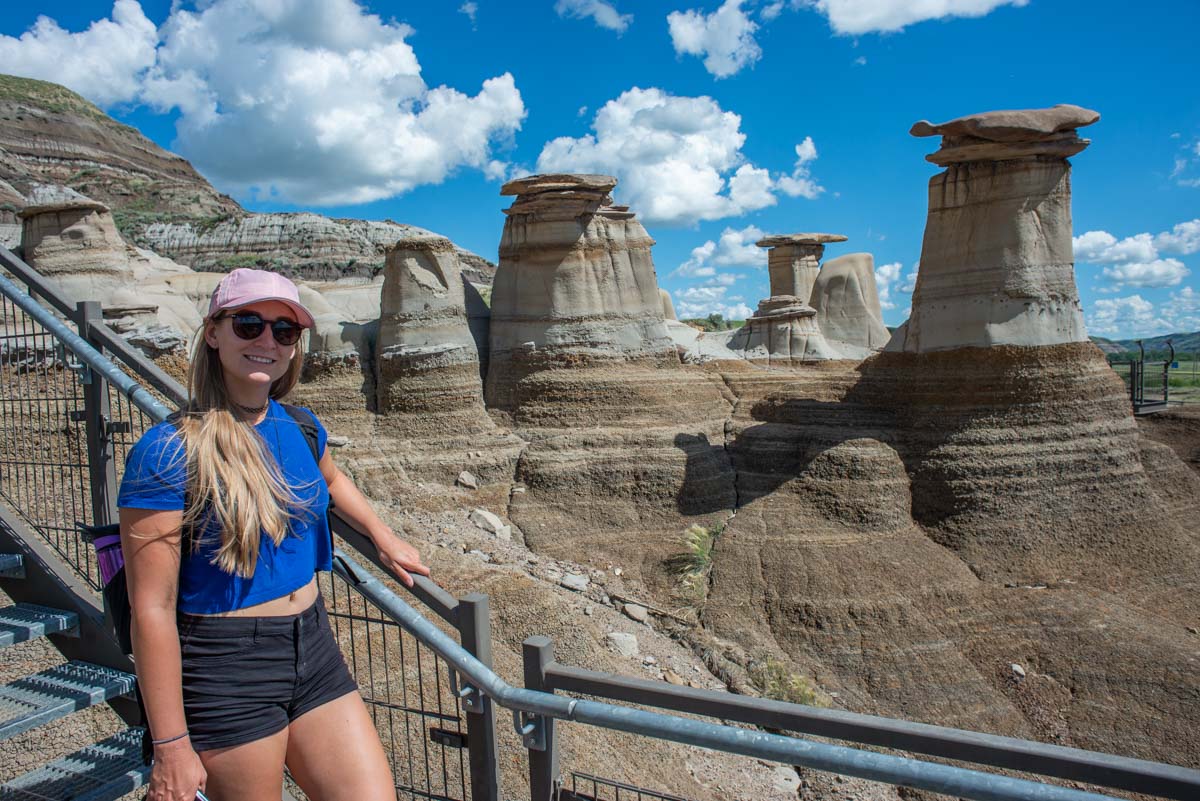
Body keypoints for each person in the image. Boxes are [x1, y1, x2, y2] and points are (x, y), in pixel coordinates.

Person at [117, 268, 429, 801]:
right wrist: (170, 746)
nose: (267, 341)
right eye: (249, 324)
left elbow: (330, 479)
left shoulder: (300, 425)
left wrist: (381, 533)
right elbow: (151, 607)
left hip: (314, 645)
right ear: (213, 333)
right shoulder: (166, 451)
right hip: (225, 665)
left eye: (284, 332)